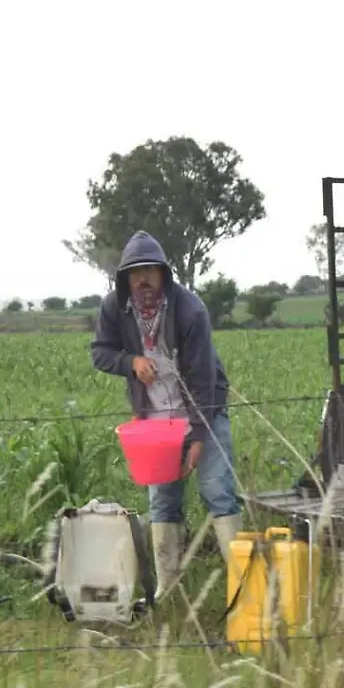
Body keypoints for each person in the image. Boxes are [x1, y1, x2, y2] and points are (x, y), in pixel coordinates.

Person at [91, 230, 244, 596]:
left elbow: (204, 379)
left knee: (217, 491)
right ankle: (167, 589)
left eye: (150, 271)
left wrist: (197, 437)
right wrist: (130, 362)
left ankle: (245, 586)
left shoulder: (190, 311)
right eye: (135, 273)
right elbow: (100, 352)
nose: (143, 279)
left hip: (202, 411)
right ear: (125, 279)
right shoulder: (114, 308)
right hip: (155, 420)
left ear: (163, 273)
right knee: (162, 501)